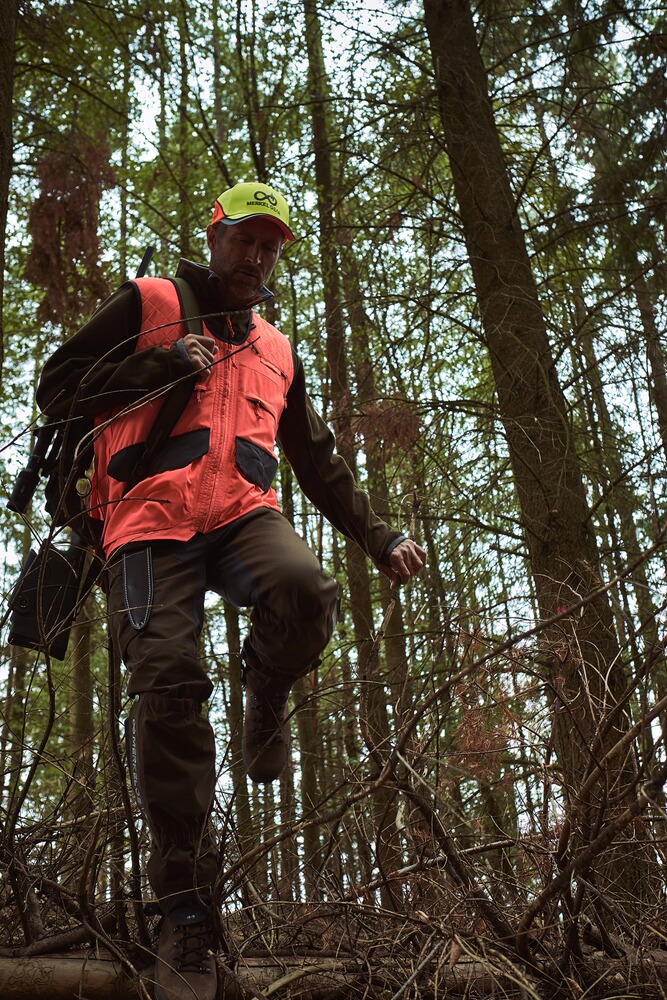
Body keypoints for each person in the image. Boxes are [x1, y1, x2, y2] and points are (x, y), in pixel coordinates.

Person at [36, 181, 426, 1000]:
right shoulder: (150, 303)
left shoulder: (278, 349)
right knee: (169, 684)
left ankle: (266, 691)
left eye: (270, 246)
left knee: (306, 590)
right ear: (214, 237)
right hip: (146, 519)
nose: (255, 256)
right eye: (244, 239)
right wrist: (157, 364)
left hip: (243, 515)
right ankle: (186, 911)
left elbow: (317, 461)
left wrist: (381, 536)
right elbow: (58, 385)